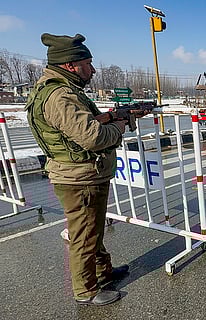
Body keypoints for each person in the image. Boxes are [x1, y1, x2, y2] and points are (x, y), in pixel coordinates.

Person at [25, 33, 131, 306]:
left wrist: (109, 116)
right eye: (88, 64)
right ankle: (86, 291)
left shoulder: (59, 90)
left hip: (81, 173)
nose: (92, 70)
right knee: (84, 234)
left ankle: (102, 273)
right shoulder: (60, 95)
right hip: (79, 177)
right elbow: (93, 137)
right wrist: (119, 126)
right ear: (71, 65)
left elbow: (76, 128)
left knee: (91, 229)